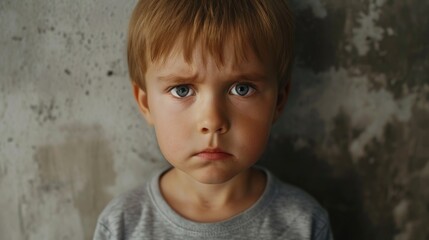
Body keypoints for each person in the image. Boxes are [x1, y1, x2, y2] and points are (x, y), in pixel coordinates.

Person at [94, 0, 333, 239]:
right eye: (182, 90)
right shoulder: (121, 225)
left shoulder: (304, 224)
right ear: (146, 103)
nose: (212, 121)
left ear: (278, 102)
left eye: (241, 89)